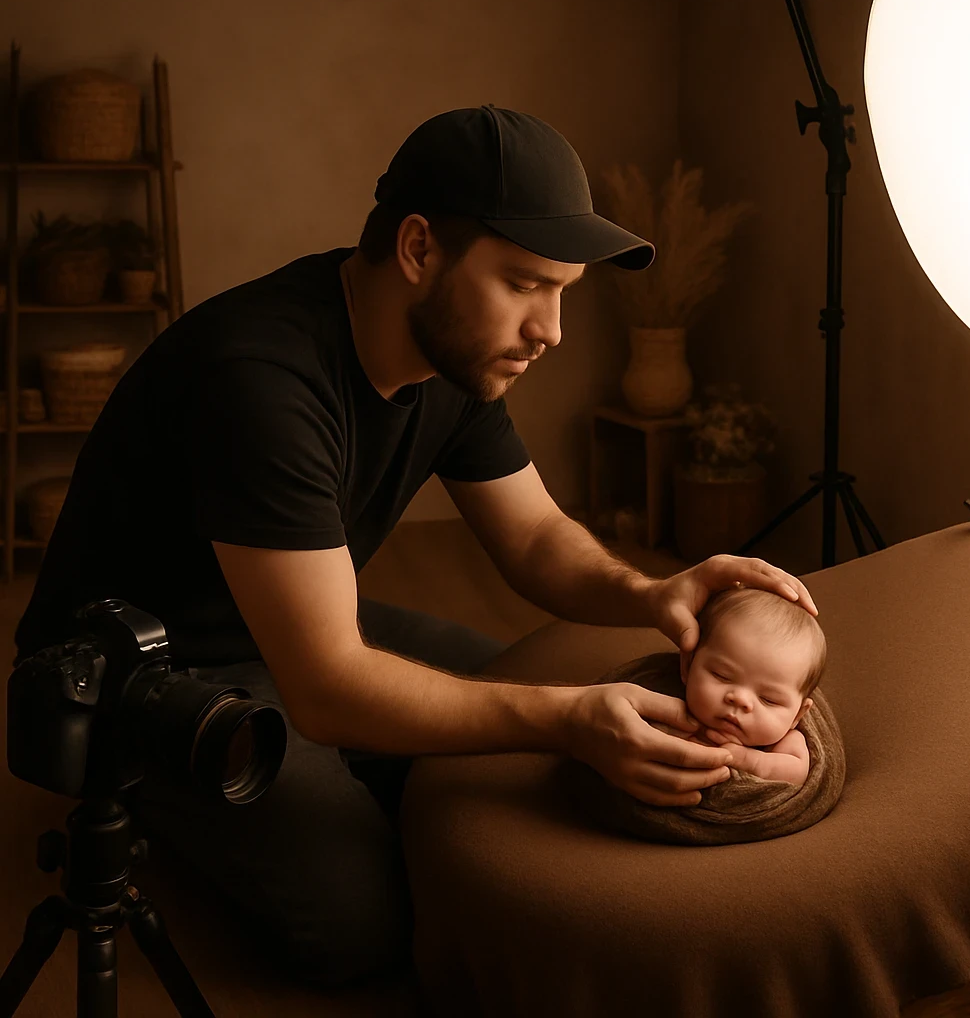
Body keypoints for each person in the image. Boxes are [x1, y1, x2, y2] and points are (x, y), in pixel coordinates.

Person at [12, 105, 819, 988]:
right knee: (368, 924)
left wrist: (653, 593)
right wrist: (565, 720)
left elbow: (535, 537)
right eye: (525, 284)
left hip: (302, 630)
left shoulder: (453, 355)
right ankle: (149, 797)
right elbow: (329, 688)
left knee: (529, 734)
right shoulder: (262, 380)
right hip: (141, 670)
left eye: (561, 292)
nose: (550, 329)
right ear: (419, 248)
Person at [651, 586, 826, 786]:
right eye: (722, 676)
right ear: (688, 665)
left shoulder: (786, 742)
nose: (741, 700)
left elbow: (797, 773)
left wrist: (748, 760)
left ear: (797, 715)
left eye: (768, 700)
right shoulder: (672, 705)